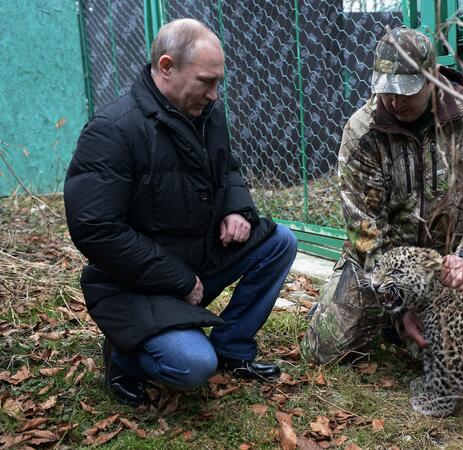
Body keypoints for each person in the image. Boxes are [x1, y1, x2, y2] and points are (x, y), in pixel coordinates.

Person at [64, 18, 297, 406]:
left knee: (280, 242)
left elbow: (227, 169)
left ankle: (233, 347)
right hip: (136, 283)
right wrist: (179, 279)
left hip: (195, 259)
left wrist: (236, 208)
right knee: (191, 367)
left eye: (218, 82)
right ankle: (124, 356)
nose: (215, 95)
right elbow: (96, 229)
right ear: (167, 67)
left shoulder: (204, 114)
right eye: (206, 81)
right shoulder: (112, 131)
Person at [301, 26, 463, 364]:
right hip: (381, 264)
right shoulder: (362, 132)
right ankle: (377, 315)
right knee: (324, 352)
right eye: (386, 90)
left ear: (433, 77)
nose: (394, 101)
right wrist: (400, 300)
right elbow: (365, 228)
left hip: (445, 270)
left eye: (407, 90)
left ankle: (406, 324)